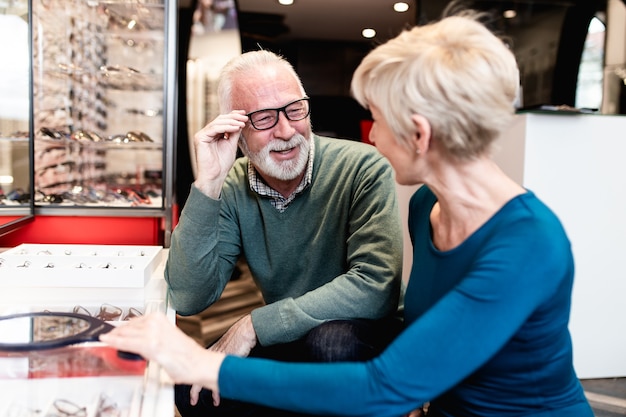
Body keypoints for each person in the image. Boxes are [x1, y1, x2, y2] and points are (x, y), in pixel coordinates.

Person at [101, 10, 594, 417]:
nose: (371, 135)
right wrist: (206, 184)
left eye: (377, 118)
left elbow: (384, 383)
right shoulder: (428, 207)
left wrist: (203, 363)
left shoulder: (528, 245)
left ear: (418, 134)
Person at [164, 49, 404, 416]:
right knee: (192, 388)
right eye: (263, 118)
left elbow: (375, 287)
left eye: (295, 110)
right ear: (236, 128)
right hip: (291, 336)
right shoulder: (230, 186)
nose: (287, 131)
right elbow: (188, 296)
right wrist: (208, 184)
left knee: (331, 345)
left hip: (362, 339)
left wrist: (254, 326)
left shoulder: (363, 167)